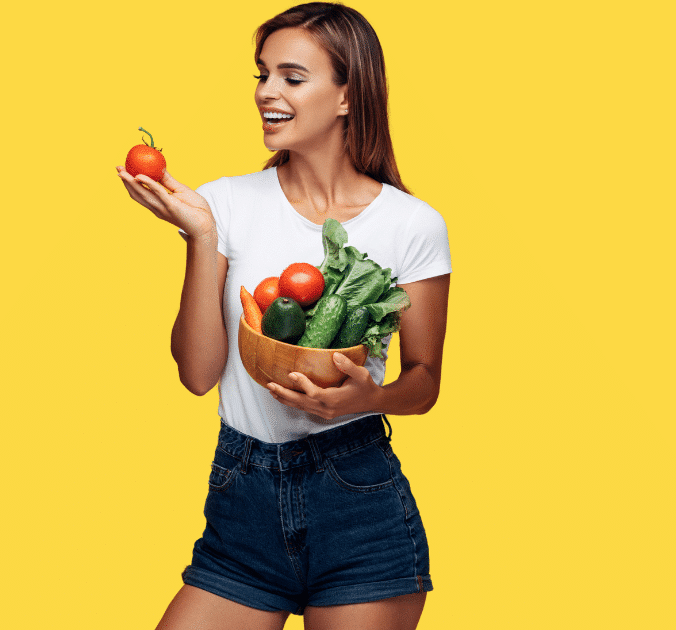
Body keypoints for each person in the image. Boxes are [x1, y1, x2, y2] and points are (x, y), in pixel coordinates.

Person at [116, 3, 451, 628]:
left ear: (349, 95)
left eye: (292, 78)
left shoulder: (412, 225)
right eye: (261, 74)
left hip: (359, 508)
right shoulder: (222, 204)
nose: (266, 92)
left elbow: (425, 383)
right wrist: (199, 237)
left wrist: (362, 399)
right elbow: (197, 374)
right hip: (241, 505)